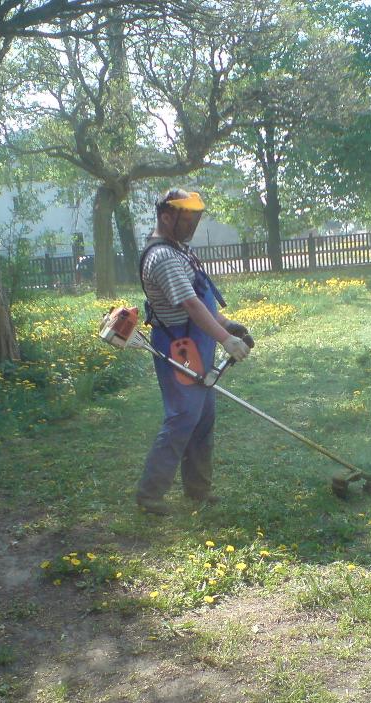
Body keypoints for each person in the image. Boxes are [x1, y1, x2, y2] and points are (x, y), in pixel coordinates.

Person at [135, 188, 253, 514]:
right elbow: (189, 305)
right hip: (178, 346)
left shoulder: (180, 251)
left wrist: (226, 325)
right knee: (183, 417)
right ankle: (149, 494)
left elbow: (201, 300)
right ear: (165, 216)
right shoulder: (162, 257)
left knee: (203, 417)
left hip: (196, 342)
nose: (191, 225)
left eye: (194, 218)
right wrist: (224, 340)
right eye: (185, 219)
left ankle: (197, 490)